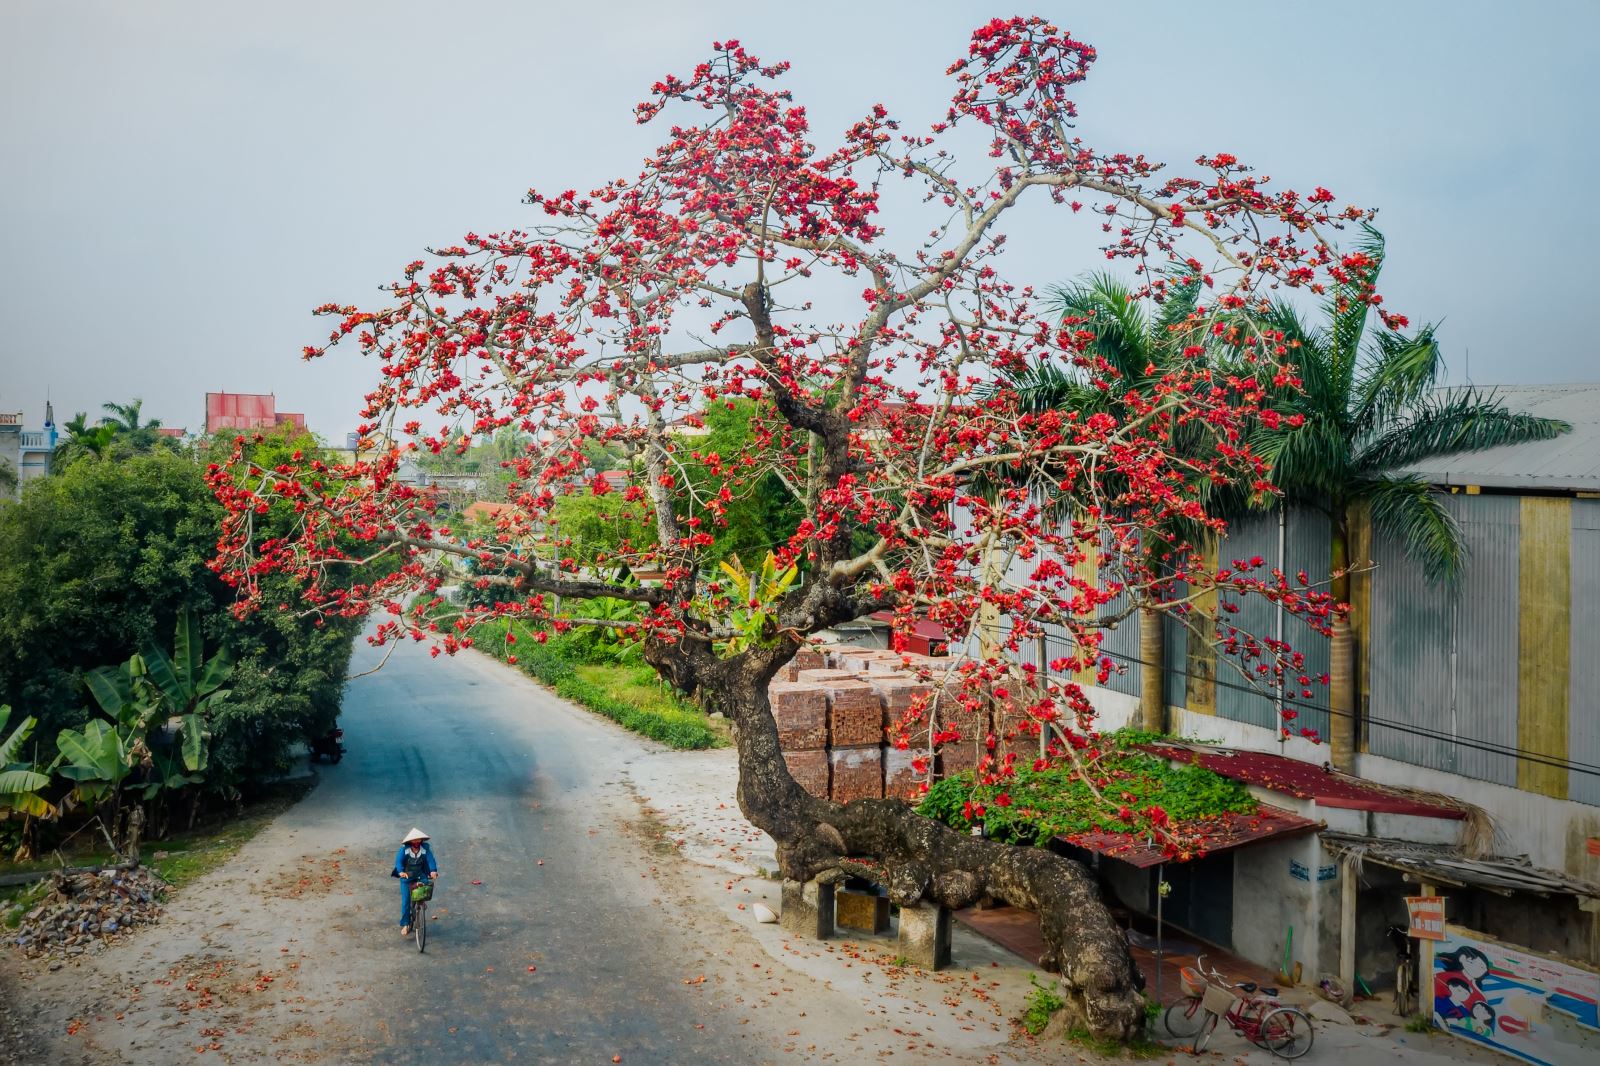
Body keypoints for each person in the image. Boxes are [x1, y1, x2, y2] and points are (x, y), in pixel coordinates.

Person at [392, 828, 439, 936]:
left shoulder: (425, 849)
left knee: (425, 886)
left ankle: (421, 901)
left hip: (420, 874)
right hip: (407, 875)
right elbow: (398, 862)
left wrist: (433, 871)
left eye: (419, 840)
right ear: (410, 841)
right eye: (415, 840)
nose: (417, 842)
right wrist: (400, 872)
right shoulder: (404, 850)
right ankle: (406, 924)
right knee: (406, 902)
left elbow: (431, 860)